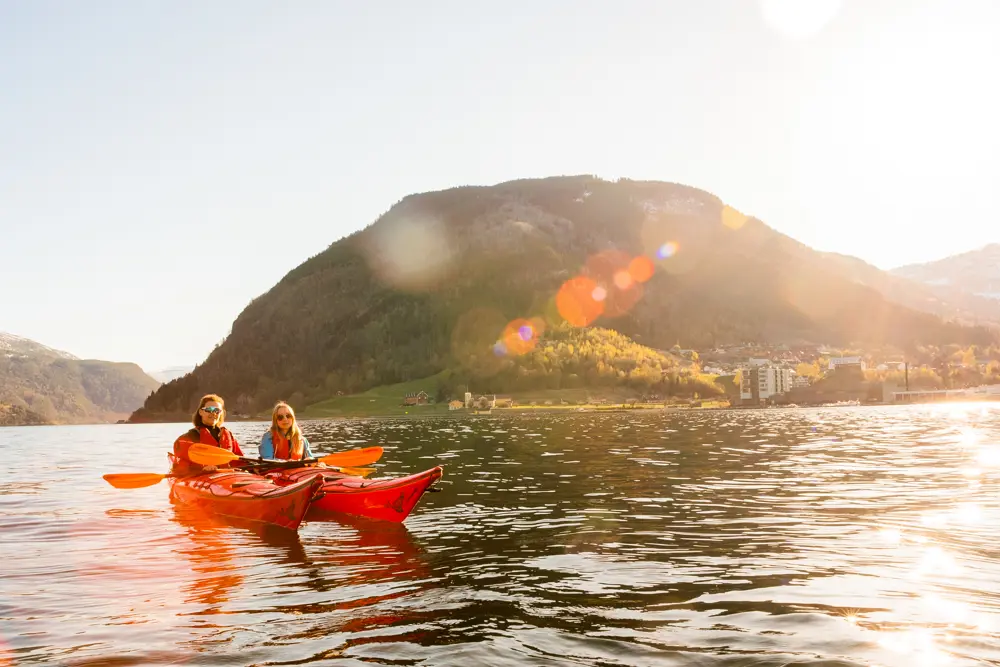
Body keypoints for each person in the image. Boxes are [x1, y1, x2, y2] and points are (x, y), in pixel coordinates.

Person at [172, 394, 244, 475]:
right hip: (203, 477)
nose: (213, 413)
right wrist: (202, 469)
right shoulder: (188, 438)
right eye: (209, 410)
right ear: (201, 412)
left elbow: (239, 460)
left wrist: (253, 467)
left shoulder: (228, 435)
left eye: (217, 410)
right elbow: (181, 468)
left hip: (227, 475)